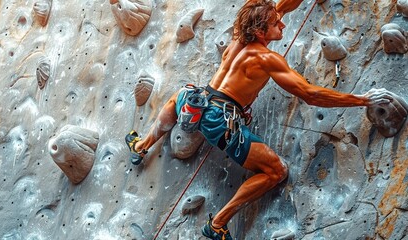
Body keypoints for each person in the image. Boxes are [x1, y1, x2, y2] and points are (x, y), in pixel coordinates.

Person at [124, 0, 393, 239]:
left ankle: (141, 146)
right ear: (262, 32)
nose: (283, 24)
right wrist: (363, 100)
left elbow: (278, 7)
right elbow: (310, 94)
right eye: (277, 25)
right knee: (276, 171)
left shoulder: (239, 37)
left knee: (180, 94)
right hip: (220, 119)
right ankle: (217, 224)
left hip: (199, 99)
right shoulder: (267, 59)